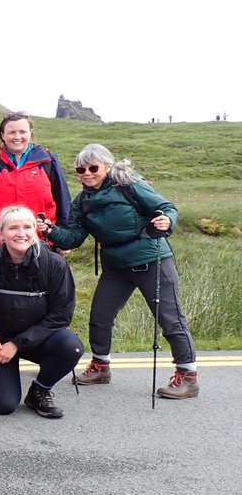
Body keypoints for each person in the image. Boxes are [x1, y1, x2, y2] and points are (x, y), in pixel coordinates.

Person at [46, 144, 199, 399]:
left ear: (107, 166)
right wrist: (50, 230)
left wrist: (167, 220)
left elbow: (166, 207)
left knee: (170, 319)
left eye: (93, 167)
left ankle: (188, 377)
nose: (87, 173)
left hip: (152, 260)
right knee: (100, 316)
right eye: (81, 169)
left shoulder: (129, 185)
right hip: (116, 266)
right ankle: (101, 367)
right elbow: (73, 238)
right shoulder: (82, 200)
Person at [0, 206, 84, 418]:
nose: (21, 233)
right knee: (4, 406)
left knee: (72, 347)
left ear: (35, 230)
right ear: (1, 233)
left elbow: (61, 315)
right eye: (13, 228)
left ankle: (40, 390)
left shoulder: (55, 265)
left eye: (27, 227)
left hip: (39, 340)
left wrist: (17, 344)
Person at [0, 111, 70, 261]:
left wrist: (62, 239)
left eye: (22, 132)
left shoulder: (48, 162)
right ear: (2, 135)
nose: (17, 137)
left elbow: (63, 201)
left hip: (42, 243)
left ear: (30, 133)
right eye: (11, 132)